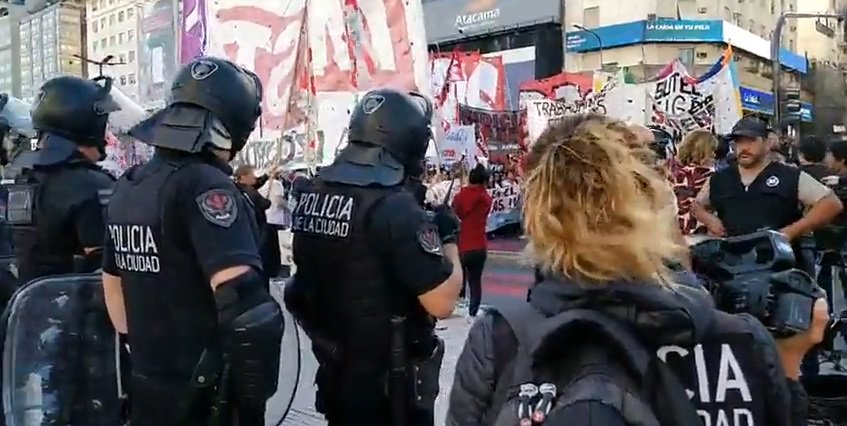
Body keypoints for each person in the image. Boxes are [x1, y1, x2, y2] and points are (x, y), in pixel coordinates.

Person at [447, 113, 825, 426]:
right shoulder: (743, 338)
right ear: (653, 201)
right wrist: (788, 361)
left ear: (540, 215)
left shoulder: (500, 338)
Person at [101, 57, 284, 426]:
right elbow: (246, 308)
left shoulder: (129, 184)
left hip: (149, 385)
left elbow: (114, 289)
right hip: (207, 396)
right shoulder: (205, 184)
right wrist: (247, 400)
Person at [284, 88, 463, 426]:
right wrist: (449, 237)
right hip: (389, 391)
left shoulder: (313, 193)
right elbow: (443, 302)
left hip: (336, 372)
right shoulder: (395, 207)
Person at [692, 116, 842, 275]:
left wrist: (789, 232)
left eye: (750, 141)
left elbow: (831, 203)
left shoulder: (788, 175)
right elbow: (697, 205)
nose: (743, 147)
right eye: (738, 142)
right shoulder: (720, 178)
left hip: (778, 270)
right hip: (732, 270)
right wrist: (709, 219)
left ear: (767, 142)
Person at [5, 76, 118, 283]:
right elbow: (111, 268)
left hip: (30, 308)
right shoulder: (92, 184)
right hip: (79, 310)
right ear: (88, 125)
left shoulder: (25, 177)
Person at [452, 163, 492, 317]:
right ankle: (473, 313)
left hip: (463, 244)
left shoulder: (461, 196)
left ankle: (459, 309)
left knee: (459, 280)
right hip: (480, 244)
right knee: (475, 282)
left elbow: (457, 210)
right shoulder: (486, 199)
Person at [234, 164, 282, 279]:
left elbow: (258, 183)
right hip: (257, 228)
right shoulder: (248, 192)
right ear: (244, 177)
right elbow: (265, 204)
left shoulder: (237, 188)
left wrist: (268, 175)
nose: (254, 178)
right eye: (252, 175)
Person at [673, 129, 717, 234]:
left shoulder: (671, 171)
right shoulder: (707, 175)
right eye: (712, 151)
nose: (714, 155)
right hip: (699, 230)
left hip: (674, 230)